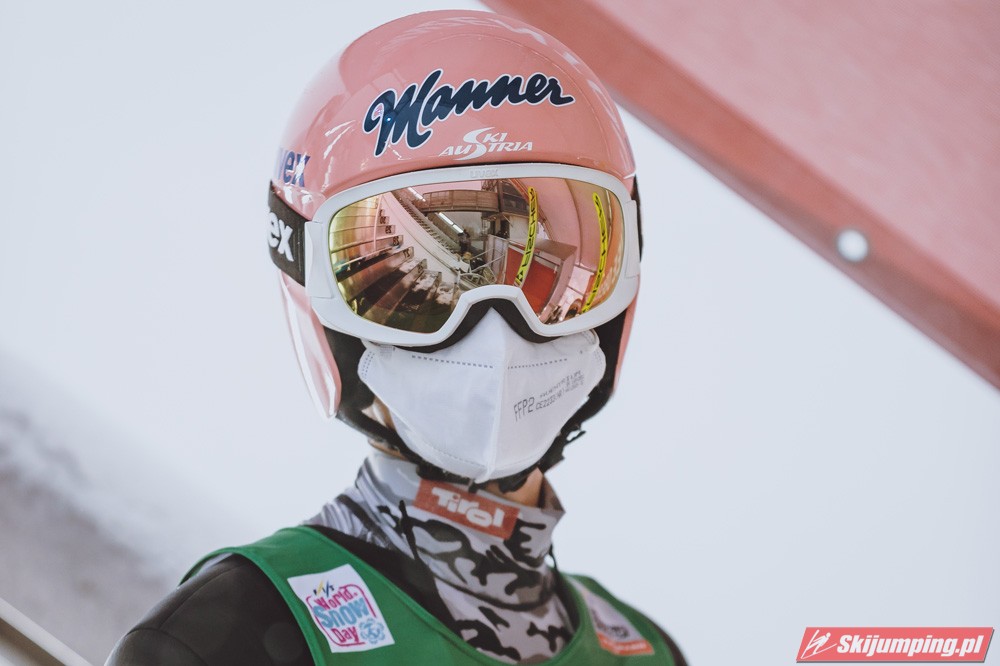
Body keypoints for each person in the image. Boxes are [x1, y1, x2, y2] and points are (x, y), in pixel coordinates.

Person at [108, 10, 686, 665]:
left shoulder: (648, 653)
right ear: (319, 299)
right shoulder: (228, 637)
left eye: (539, 278)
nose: (496, 336)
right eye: (417, 289)